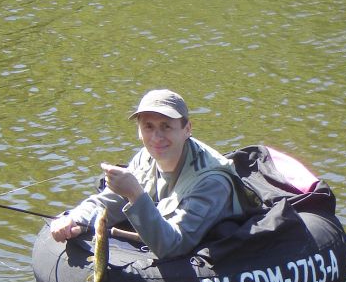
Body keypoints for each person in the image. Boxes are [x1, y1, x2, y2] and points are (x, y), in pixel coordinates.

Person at [50, 89, 247, 259]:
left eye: (166, 126)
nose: (156, 137)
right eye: (148, 126)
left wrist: (135, 194)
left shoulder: (211, 181)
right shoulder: (145, 157)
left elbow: (173, 246)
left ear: (187, 129)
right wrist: (73, 219)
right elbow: (107, 203)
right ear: (139, 131)